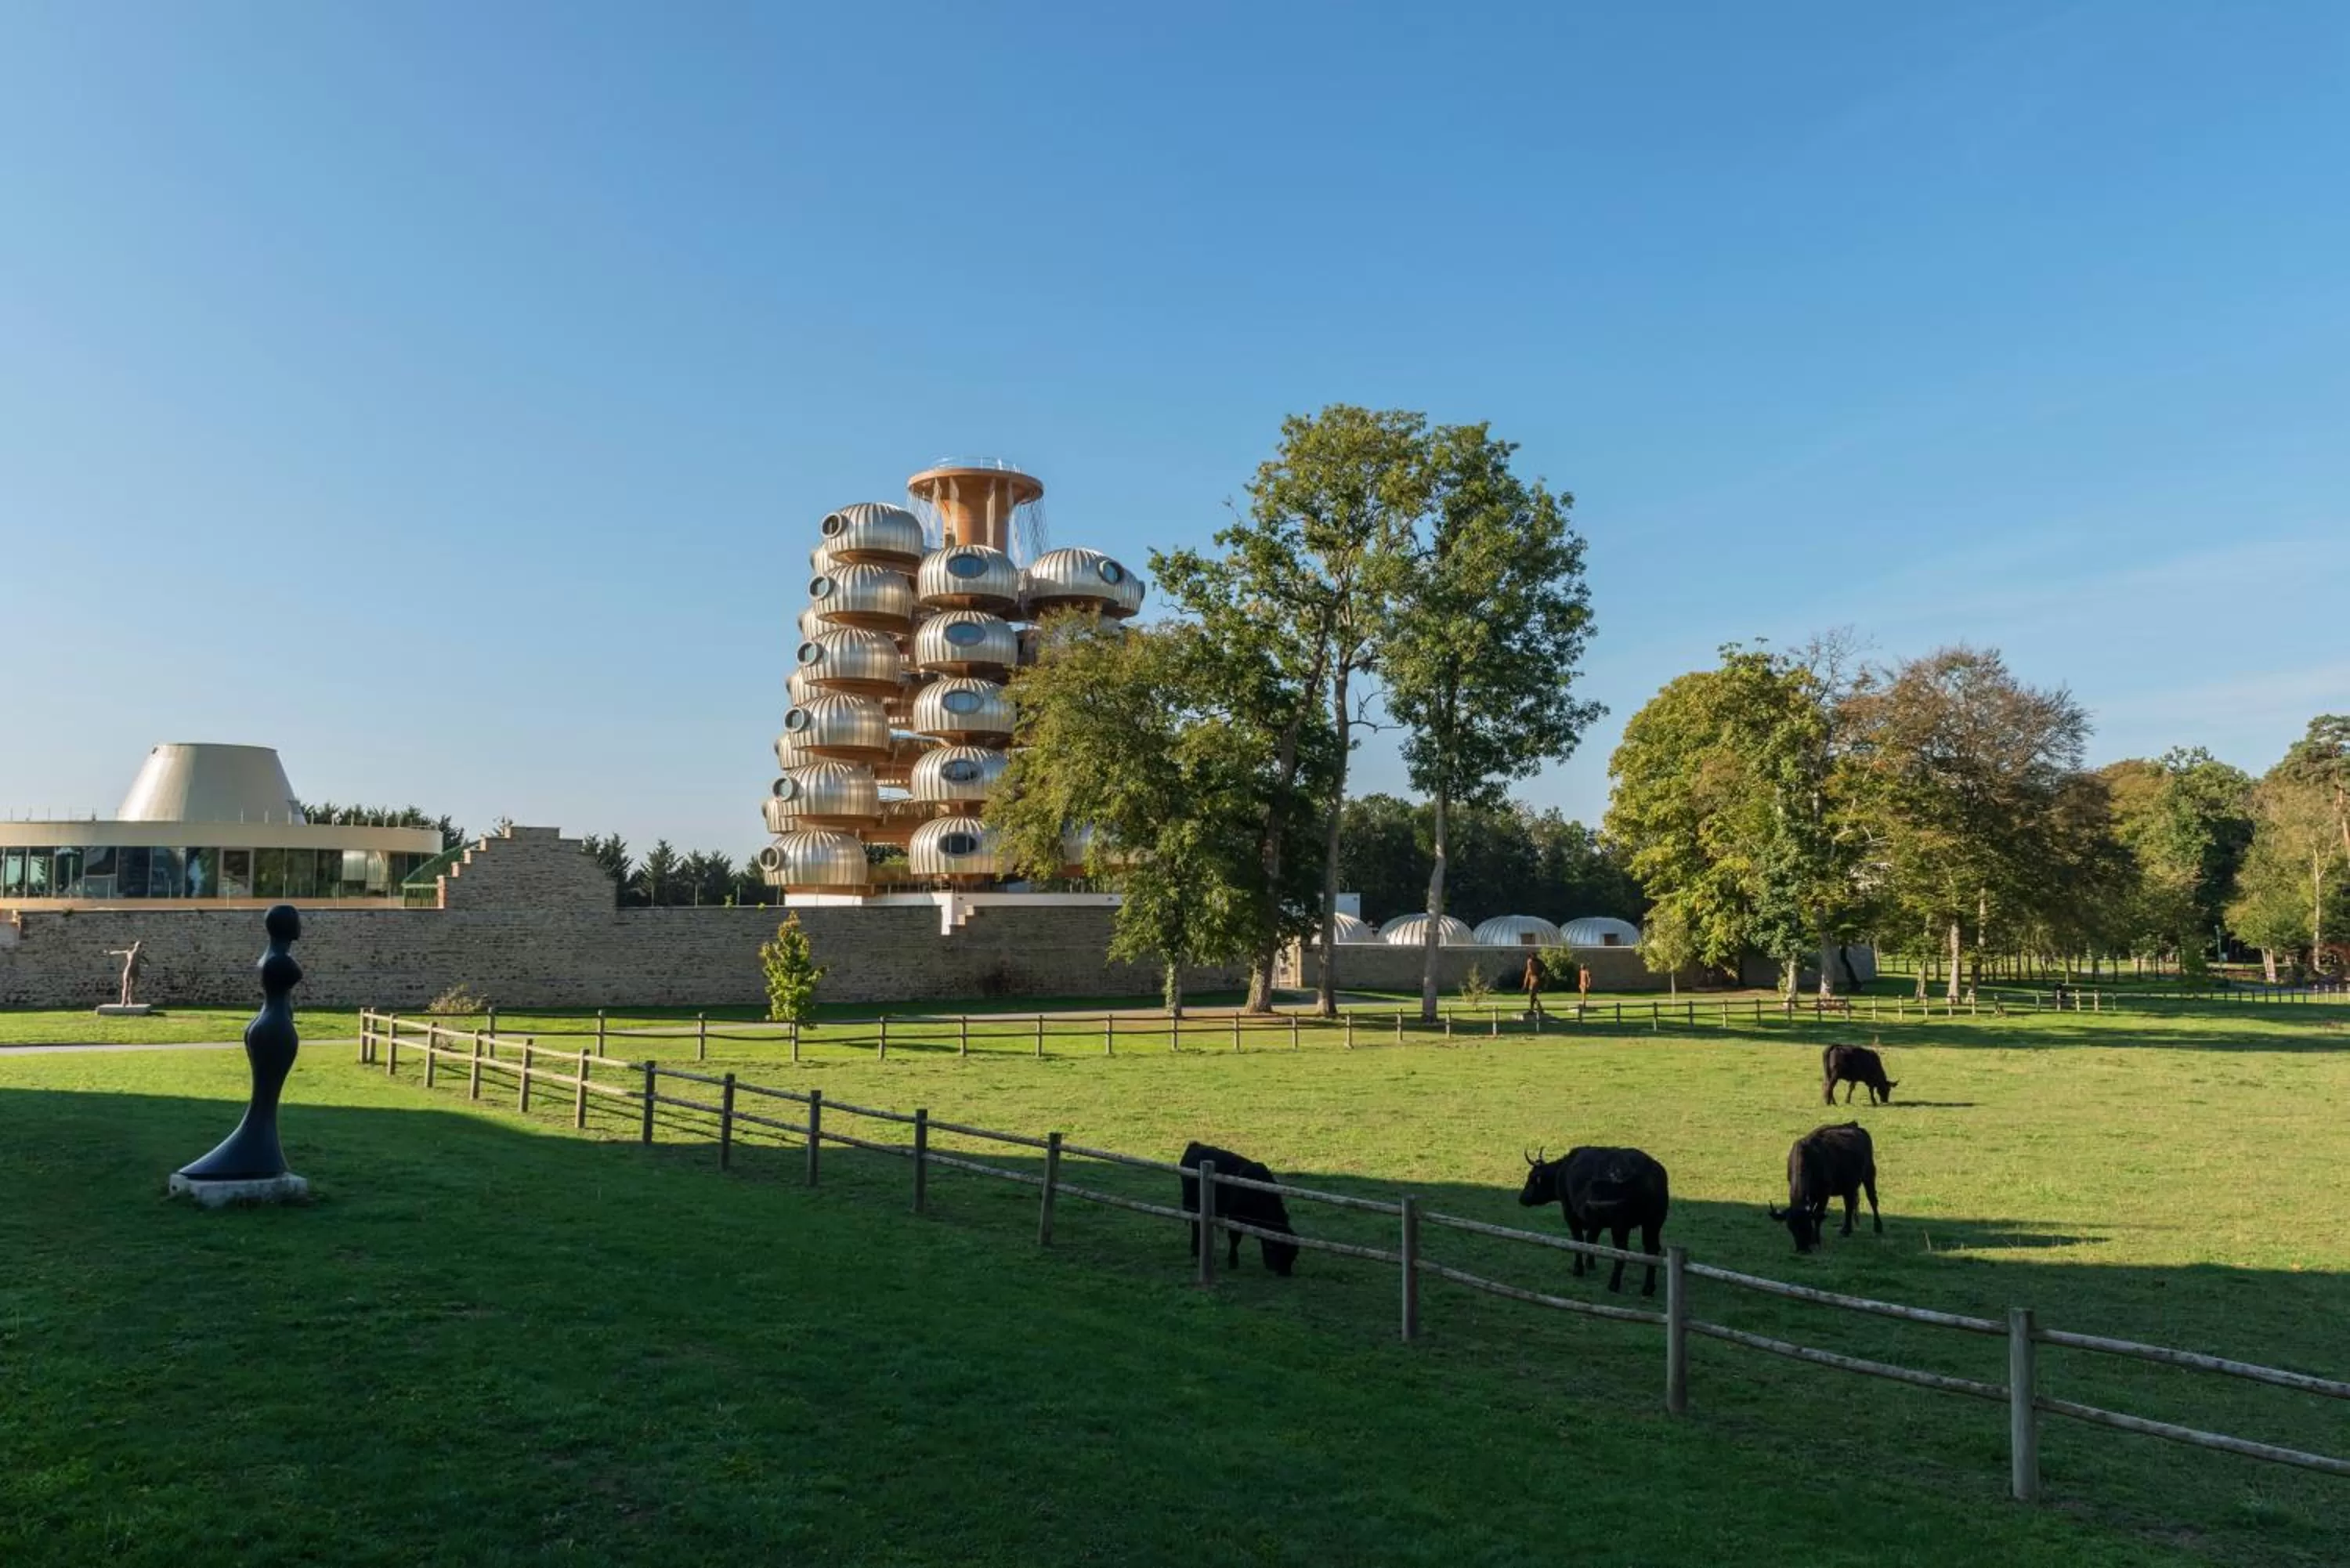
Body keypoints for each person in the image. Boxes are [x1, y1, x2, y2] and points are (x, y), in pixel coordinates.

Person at [1521, 953, 1546, 1018]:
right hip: (1533, 981)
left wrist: (1541, 976)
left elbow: (1545, 970)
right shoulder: (1531, 964)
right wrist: (1525, 985)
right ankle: (1539, 1009)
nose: (1529, 964)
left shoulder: (1537, 963)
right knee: (1533, 996)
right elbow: (1527, 975)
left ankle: (1533, 1010)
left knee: (1532, 995)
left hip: (1535, 981)